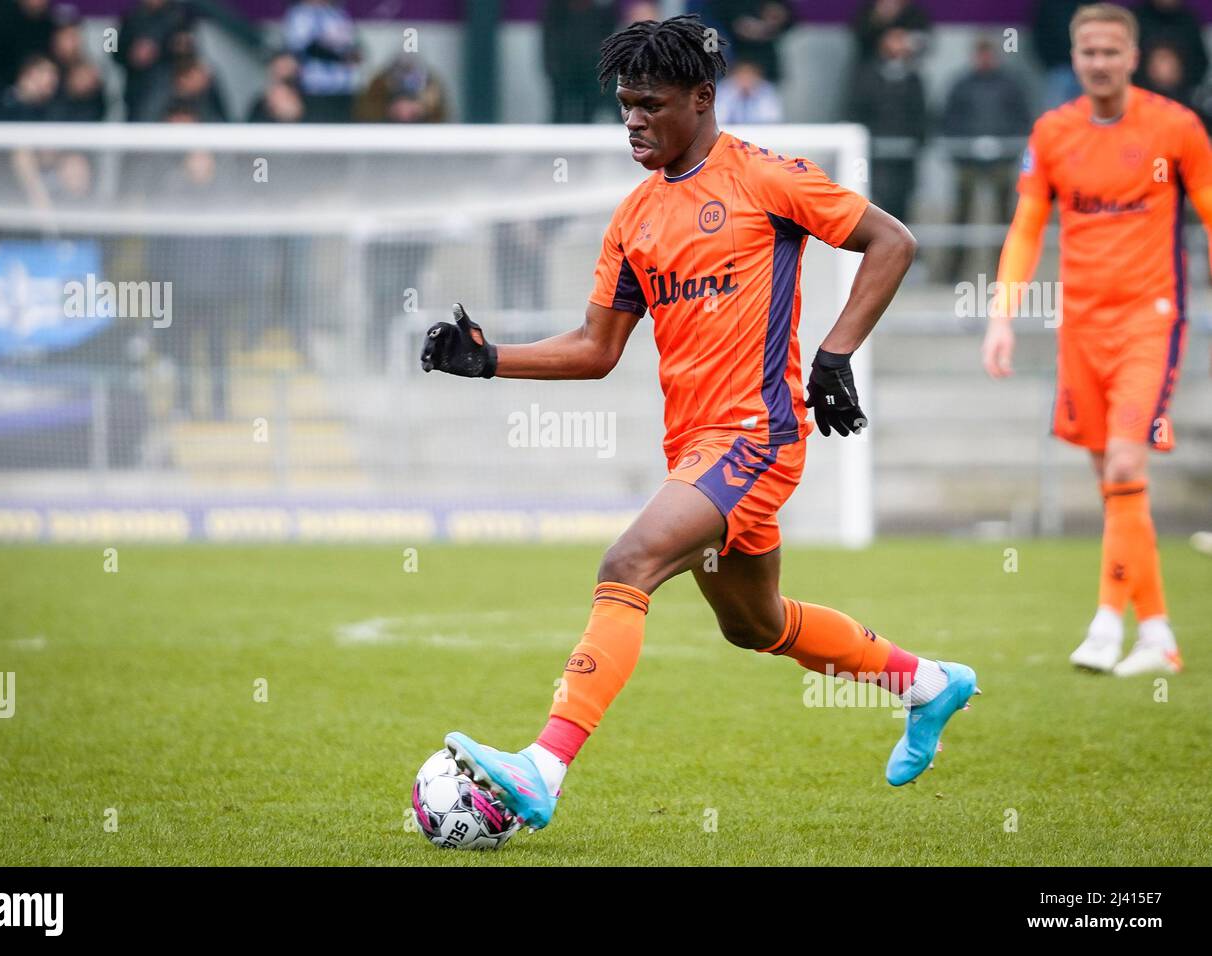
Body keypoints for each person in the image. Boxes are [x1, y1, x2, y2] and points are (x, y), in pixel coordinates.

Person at [420, 14, 977, 832]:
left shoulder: (765, 177)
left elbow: (890, 240)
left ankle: (542, 767)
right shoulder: (635, 217)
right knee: (756, 624)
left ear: (703, 97)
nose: (633, 121)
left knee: (630, 559)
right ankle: (928, 684)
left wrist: (835, 353)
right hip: (696, 448)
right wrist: (490, 358)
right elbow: (596, 346)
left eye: (649, 104)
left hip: (757, 436)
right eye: (624, 106)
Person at [982, 3, 1212, 677]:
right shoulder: (1053, 132)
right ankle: (1160, 635)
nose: (1101, 61)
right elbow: (1027, 225)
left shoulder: (1175, 127)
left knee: (1122, 469)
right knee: (1115, 489)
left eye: (1113, 51)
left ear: (1133, 56)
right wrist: (1002, 314)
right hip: (1079, 327)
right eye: (1090, 52)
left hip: (1151, 319)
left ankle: (1109, 623)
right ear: (1075, 59)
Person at [941, 37, 1033, 282]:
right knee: (961, 217)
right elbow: (948, 121)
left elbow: (1022, 119)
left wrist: (1008, 150)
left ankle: (1006, 272)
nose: (984, 59)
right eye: (980, 53)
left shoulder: (1010, 85)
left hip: (1002, 161)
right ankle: (953, 273)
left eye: (988, 53)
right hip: (967, 161)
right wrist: (961, 152)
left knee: (1004, 219)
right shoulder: (961, 85)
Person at [847, 26, 928, 222]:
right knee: (875, 204)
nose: (899, 45)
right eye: (894, 39)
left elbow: (922, 114)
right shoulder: (866, 76)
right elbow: (856, 110)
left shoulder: (913, 79)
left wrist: (917, 141)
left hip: (904, 157)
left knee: (902, 204)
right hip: (874, 156)